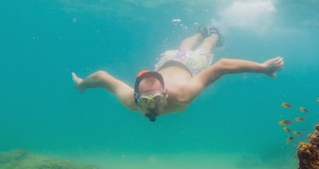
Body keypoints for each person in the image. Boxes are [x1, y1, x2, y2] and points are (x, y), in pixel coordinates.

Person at [72, 26, 284, 122]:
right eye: (145, 100)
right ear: (136, 96)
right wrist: (81, 84)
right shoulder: (131, 101)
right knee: (181, 49)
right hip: (166, 60)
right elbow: (100, 77)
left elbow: (222, 65)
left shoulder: (183, 93)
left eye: (154, 99)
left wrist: (262, 67)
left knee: (203, 51)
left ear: (165, 94)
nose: (150, 106)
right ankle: (200, 32)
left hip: (190, 65)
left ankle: (212, 35)